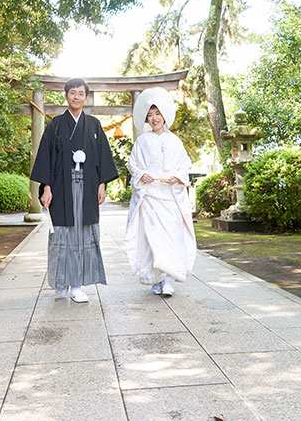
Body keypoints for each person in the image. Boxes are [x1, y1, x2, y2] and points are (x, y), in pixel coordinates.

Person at [30, 78, 119, 303]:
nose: (76, 96)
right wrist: (46, 187)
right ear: (66, 96)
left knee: (82, 236)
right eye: (73, 92)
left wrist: (102, 184)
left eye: (81, 93)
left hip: (87, 188)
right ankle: (61, 281)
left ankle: (78, 285)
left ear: (86, 97)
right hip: (61, 188)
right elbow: (46, 159)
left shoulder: (94, 125)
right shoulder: (55, 125)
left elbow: (102, 157)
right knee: (61, 236)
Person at [123, 87, 196, 296]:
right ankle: (156, 279)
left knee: (171, 238)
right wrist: (140, 175)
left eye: (158, 114)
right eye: (150, 115)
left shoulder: (175, 141)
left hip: (169, 197)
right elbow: (132, 164)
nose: (154, 119)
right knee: (151, 240)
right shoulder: (142, 141)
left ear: (164, 116)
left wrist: (179, 177)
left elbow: (185, 166)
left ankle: (169, 279)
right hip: (150, 198)